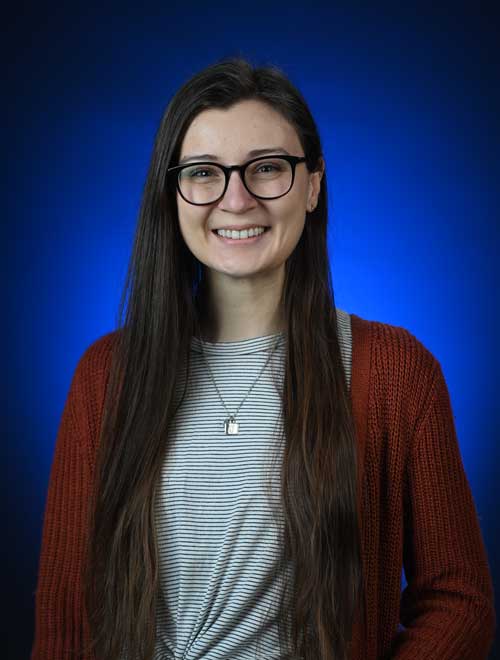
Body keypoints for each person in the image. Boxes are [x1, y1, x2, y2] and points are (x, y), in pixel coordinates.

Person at [31, 57, 495, 660]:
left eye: (267, 168)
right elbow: (65, 623)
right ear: (171, 194)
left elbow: (460, 603)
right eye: (204, 173)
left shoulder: (397, 375)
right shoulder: (106, 377)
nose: (236, 198)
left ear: (312, 185)